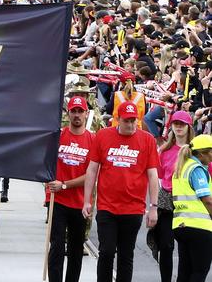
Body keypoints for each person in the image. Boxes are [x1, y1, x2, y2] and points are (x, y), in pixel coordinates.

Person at [82, 101, 159, 282]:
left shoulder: (147, 139)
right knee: (106, 252)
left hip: (133, 208)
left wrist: (154, 206)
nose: (131, 125)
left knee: (126, 255)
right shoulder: (103, 136)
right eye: (127, 121)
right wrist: (87, 200)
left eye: (134, 120)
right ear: (117, 119)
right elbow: (92, 169)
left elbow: (153, 175)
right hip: (107, 207)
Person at [47, 95, 94, 282]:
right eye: (73, 111)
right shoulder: (58, 136)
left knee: (76, 249)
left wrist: (64, 185)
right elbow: (46, 164)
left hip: (79, 203)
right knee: (57, 246)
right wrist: (49, 182)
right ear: (68, 113)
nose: (76, 115)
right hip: (57, 201)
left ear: (86, 113)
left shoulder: (92, 139)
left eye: (80, 111)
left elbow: (92, 175)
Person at [151, 110, 195, 282]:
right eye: (175, 124)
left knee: (186, 248)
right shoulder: (164, 150)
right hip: (167, 201)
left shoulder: (195, 151)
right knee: (166, 246)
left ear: (188, 127)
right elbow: (159, 176)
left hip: (188, 202)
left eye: (182, 124)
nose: (178, 127)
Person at [171, 134, 212, 282]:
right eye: (211, 151)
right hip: (198, 226)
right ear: (202, 153)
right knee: (200, 271)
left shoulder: (182, 167)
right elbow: (207, 200)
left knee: (185, 272)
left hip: (181, 226)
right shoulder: (197, 169)